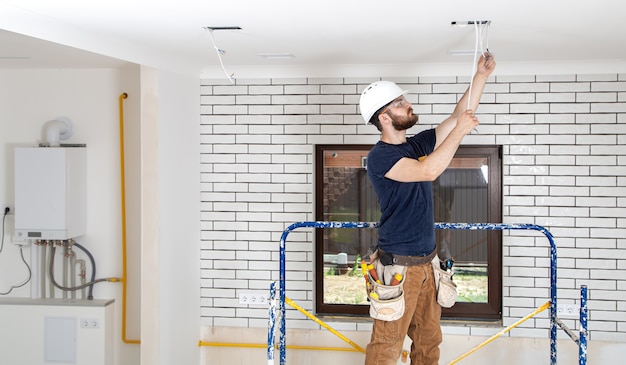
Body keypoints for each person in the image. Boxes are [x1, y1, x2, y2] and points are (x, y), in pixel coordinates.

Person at [359, 54, 496, 365]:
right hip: (399, 269)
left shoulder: (415, 144)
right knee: (387, 346)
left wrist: (480, 77)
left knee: (429, 341)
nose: (408, 104)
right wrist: (461, 131)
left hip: (427, 264)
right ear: (384, 117)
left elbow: (459, 114)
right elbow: (429, 171)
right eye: (400, 103)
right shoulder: (381, 157)